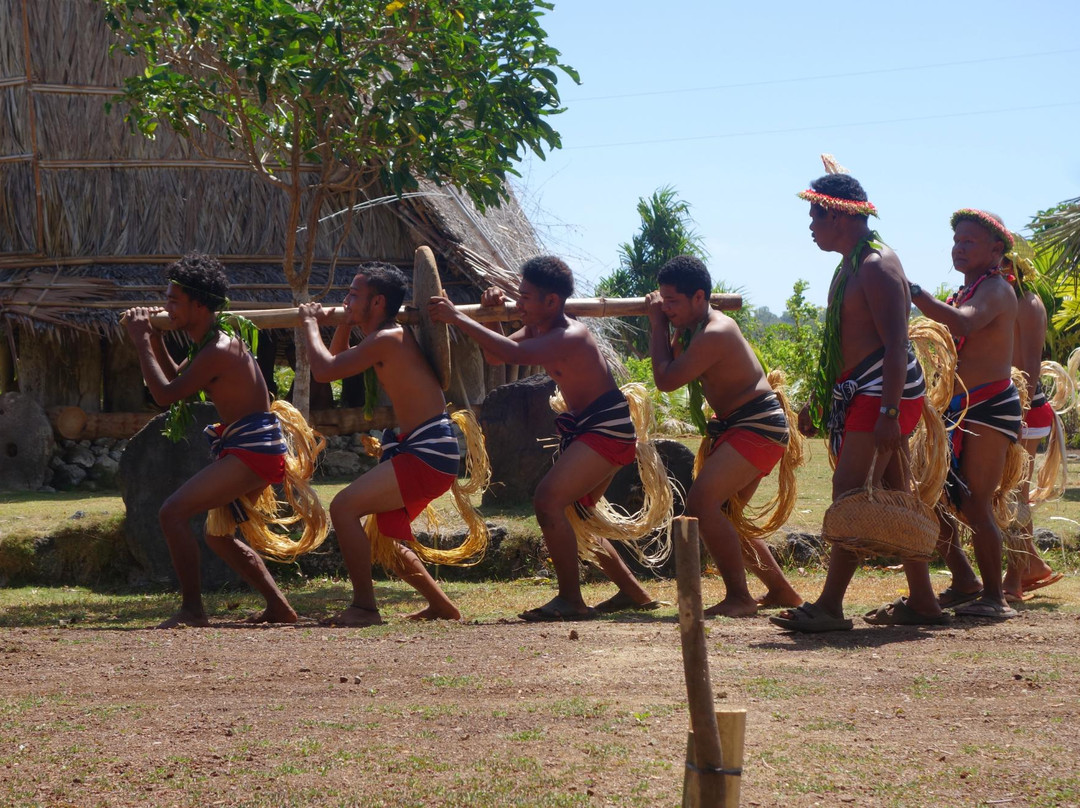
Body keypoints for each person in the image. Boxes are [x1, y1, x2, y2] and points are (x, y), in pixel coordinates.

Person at [429, 255, 661, 621]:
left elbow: (512, 352)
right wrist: (493, 314)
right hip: (596, 429)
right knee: (577, 515)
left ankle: (571, 600)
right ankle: (634, 593)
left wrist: (458, 316)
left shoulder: (570, 335)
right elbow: (495, 355)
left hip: (606, 429)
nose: (518, 303)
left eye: (524, 297)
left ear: (551, 302)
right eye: (517, 296)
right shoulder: (539, 329)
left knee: (548, 500)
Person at [772, 171, 941, 632]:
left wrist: (888, 413)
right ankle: (925, 601)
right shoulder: (851, 264)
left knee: (848, 493)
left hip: (885, 391)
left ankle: (829, 606)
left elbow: (894, 344)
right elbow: (844, 346)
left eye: (815, 215)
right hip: (862, 389)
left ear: (838, 216)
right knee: (895, 497)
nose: (810, 225)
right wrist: (821, 401)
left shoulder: (878, 266)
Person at [124, 254, 326, 628]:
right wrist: (154, 340)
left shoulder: (218, 349)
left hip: (254, 451)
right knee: (217, 535)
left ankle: (192, 611)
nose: (166, 306)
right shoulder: (209, 346)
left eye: (173, 301)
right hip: (251, 447)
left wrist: (141, 343)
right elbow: (181, 388)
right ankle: (279, 608)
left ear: (198, 306)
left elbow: (165, 395)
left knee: (172, 513)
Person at [299, 263, 473, 627]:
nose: (346, 300)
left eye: (353, 296)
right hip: (425, 450)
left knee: (344, 508)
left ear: (377, 302)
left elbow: (323, 370)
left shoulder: (388, 339)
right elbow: (335, 362)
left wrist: (311, 322)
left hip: (427, 453)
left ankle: (364, 607)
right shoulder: (386, 336)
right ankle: (442, 606)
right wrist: (345, 322)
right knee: (384, 536)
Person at [646, 255, 803, 616]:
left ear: (699, 297)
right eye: (663, 300)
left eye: (673, 302)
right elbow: (669, 363)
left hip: (757, 425)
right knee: (729, 515)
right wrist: (667, 324)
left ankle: (739, 597)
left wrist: (656, 322)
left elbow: (666, 380)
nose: (666, 308)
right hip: (742, 426)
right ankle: (782, 592)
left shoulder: (717, 330)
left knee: (702, 504)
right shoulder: (692, 332)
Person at [910, 209, 1022, 619]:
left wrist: (916, 293)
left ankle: (996, 597)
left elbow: (963, 324)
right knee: (935, 497)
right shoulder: (970, 289)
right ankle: (963, 579)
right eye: (956, 240)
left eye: (968, 241)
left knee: (976, 502)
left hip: (990, 407)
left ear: (996, 250)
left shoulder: (995, 290)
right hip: (959, 407)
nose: (958, 247)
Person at [1002, 256, 1064, 602]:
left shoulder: (1028, 303)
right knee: (1009, 492)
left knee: (1013, 493)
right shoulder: (995, 297)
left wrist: (1016, 414)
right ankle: (1033, 565)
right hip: (1004, 408)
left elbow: (1028, 369)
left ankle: (1014, 576)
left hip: (1023, 410)